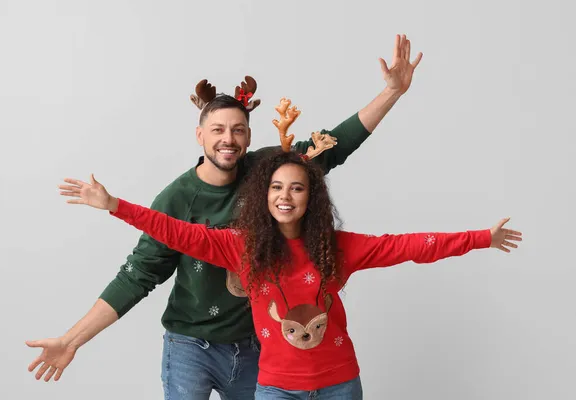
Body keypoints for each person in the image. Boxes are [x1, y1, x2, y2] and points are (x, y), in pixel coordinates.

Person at [27, 34, 424, 400]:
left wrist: (391, 92)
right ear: (199, 135)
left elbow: (331, 147)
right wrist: (72, 339)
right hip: (191, 346)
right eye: (217, 129)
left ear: (249, 136)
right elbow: (137, 275)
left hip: (257, 345)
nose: (227, 139)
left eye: (237, 130)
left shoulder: (269, 172)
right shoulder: (178, 198)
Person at [56, 147, 522, 399]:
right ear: (263, 195)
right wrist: (114, 206)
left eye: (297, 188)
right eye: (276, 186)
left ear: (310, 197)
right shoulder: (241, 247)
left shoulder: (337, 248)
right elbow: (176, 232)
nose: (285, 196)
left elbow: (410, 247)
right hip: (276, 389)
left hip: (341, 384)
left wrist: (482, 236)